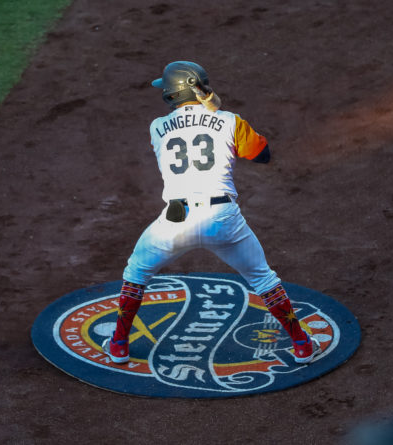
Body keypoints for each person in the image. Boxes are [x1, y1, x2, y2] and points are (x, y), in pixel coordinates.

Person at [101, 61, 321, 365]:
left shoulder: (156, 127)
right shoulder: (230, 121)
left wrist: (209, 108)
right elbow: (262, 155)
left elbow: (188, 130)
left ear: (172, 93)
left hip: (175, 220)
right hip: (223, 219)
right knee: (263, 278)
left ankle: (118, 345)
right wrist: (218, 110)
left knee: (136, 272)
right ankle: (303, 345)